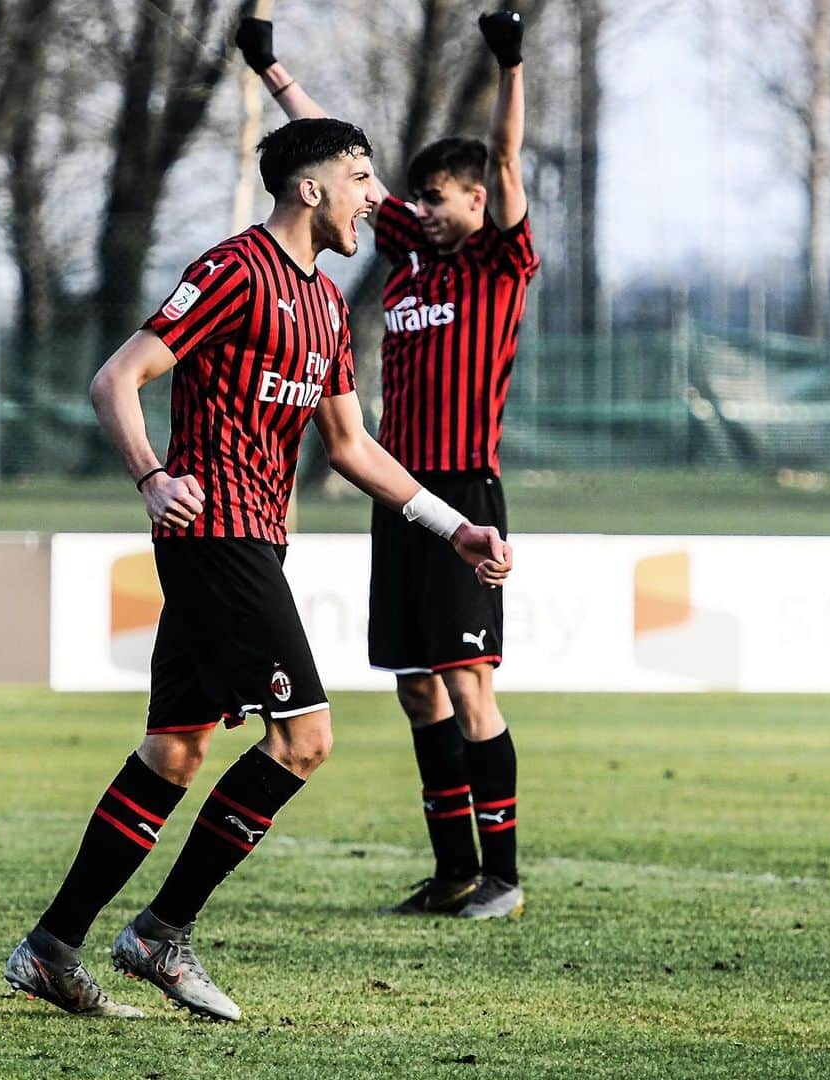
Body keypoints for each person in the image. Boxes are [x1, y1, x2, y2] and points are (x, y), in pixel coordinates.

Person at [3, 117, 513, 1022]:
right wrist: (153, 479)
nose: (373, 195)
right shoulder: (234, 269)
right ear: (310, 188)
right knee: (305, 737)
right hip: (215, 539)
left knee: (176, 750)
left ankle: (52, 946)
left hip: (256, 537)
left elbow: (354, 446)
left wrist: (454, 527)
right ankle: (162, 933)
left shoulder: (322, 303)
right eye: (360, 176)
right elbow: (116, 378)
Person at [236, 11, 538, 920]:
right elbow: (334, 163)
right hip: (399, 497)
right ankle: (451, 871)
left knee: (470, 684)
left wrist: (510, 62)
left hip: (464, 492)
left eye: (443, 195)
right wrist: (273, 71)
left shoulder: (498, 263)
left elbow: (511, 158)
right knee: (417, 689)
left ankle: (505, 876)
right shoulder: (408, 256)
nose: (422, 207)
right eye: (423, 197)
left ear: (478, 203)